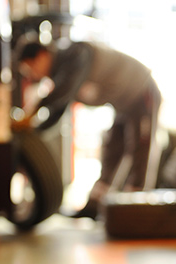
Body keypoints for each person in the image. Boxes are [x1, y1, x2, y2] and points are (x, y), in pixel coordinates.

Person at [16, 41, 162, 219]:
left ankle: (137, 212)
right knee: (112, 150)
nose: (32, 75)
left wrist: (33, 110)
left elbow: (64, 89)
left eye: (30, 68)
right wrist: (35, 129)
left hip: (142, 90)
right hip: (123, 104)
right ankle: (94, 208)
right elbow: (61, 105)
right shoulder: (62, 73)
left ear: (41, 55)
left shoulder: (75, 53)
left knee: (140, 149)